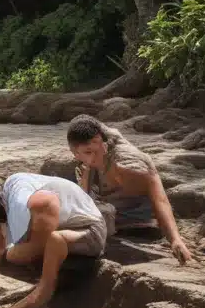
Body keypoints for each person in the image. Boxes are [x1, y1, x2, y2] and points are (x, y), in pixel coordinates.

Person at [0, 173, 109, 308]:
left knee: (30, 250)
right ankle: (45, 283)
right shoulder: (7, 200)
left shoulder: (35, 205)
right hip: (57, 227)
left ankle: (56, 291)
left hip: (89, 230)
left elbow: (48, 202)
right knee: (4, 255)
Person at [67, 113, 193, 264]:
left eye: (97, 148)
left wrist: (175, 240)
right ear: (75, 153)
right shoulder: (87, 165)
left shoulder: (127, 163)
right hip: (111, 219)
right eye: (88, 152)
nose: (95, 155)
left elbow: (160, 199)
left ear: (103, 142)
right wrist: (87, 170)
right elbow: (84, 198)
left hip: (140, 226)